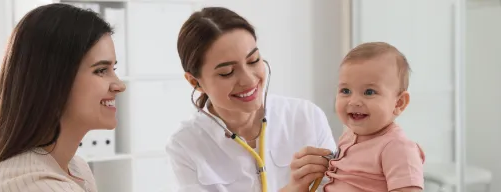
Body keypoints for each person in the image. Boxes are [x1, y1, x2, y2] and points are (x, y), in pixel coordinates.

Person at [0, 3, 125, 192]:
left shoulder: (76, 168)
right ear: (53, 80)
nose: (120, 85)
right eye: (101, 70)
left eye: (113, 69)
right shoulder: (36, 185)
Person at [166, 7, 337, 192]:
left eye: (253, 60)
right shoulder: (184, 145)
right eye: (227, 72)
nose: (248, 80)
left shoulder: (306, 116)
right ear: (194, 82)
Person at [323, 42, 425, 192]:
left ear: (399, 103)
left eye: (369, 92)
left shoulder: (397, 148)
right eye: (345, 90)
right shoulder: (348, 137)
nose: (354, 101)